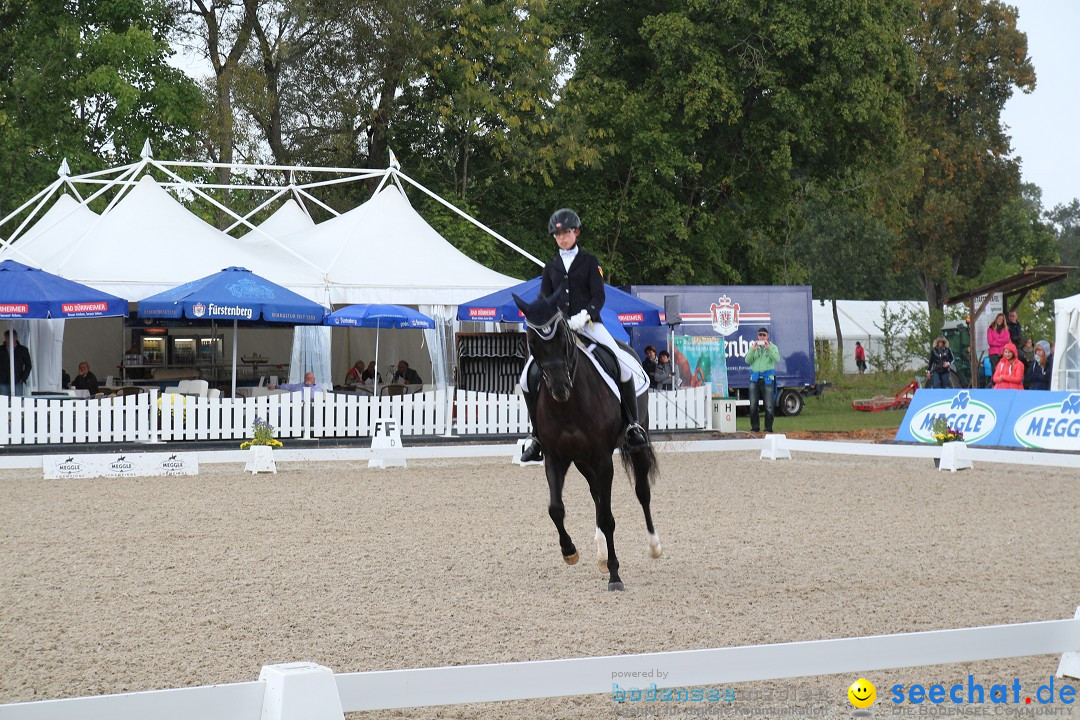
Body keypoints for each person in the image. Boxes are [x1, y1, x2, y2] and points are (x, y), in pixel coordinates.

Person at [519, 208, 650, 463]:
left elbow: (598, 296)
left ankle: (633, 425)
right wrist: (541, 316)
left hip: (589, 325)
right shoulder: (551, 266)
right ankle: (536, 436)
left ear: (576, 233)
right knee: (527, 377)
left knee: (623, 366)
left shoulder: (590, 262)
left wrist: (584, 316)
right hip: (559, 329)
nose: (562, 238)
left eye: (566, 233)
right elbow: (545, 298)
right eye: (557, 234)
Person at [744, 327, 780, 433]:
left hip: (768, 378)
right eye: (760, 335)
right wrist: (752, 350)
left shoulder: (773, 347)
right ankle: (755, 428)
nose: (762, 337)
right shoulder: (754, 347)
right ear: (757, 336)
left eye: (764, 335)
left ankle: (768, 429)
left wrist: (768, 349)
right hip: (755, 378)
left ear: (767, 336)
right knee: (753, 405)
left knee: (769, 406)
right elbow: (747, 360)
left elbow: (777, 359)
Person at [0, 330, 32, 396]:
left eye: (9, 338)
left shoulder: (23, 350)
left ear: (15, 338)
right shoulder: (1, 349)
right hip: (3, 381)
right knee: (4, 401)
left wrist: (23, 378)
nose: (7, 340)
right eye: (6, 338)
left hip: (17, 380)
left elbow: (28, 365)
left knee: (17, 401)